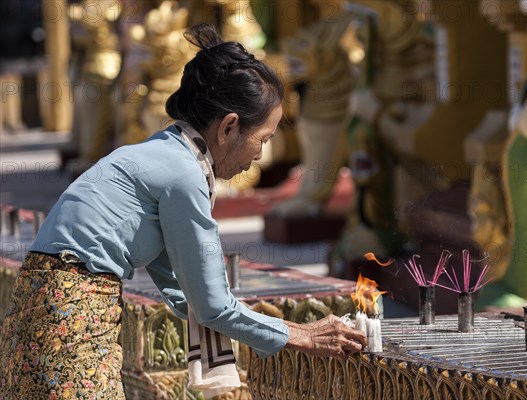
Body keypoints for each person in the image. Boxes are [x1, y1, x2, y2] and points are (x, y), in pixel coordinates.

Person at [0, 24, 367, 399]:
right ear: (229, 127)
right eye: (263, 139)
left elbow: (184, 295)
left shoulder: (163, 151)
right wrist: (301, 334)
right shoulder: (184, 174)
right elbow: (211, 308)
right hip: (71, 313)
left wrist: (263, 328)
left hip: (44, 301)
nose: (260, 155)